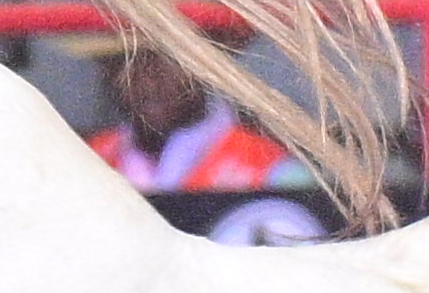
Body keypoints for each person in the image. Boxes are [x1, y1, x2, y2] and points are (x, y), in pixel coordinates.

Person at [84, 40, 297, 194]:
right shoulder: (87, 158)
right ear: (108, 72)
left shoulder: (270, 167)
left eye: (164, 64)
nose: (148, 83)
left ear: (200, 68)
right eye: (129, 64)